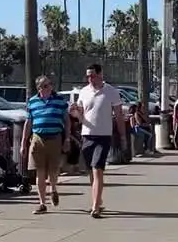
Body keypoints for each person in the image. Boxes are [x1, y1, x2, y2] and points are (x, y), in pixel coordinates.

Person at [70, 63, 124, 218]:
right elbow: (80, 116)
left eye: (92, 75)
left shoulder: (111, 92)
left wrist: (122, 136)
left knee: (98, 168)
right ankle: (98, 199)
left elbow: (119, 115)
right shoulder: (84, 92)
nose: (90, 78)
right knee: (91, 171)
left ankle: (95, 207)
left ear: (101, 74)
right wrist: (74, 112)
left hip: (103, 136)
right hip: (87, 135)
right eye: (87, 76)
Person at [20, 75, 68, 215]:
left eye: (50, 84)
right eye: (46, 85)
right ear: (39, 88)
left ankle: (53, 189)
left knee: (53, 170)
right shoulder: (33, 102)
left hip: (55, 137)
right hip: (38, 138)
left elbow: (66, 120)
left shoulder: (59, 100)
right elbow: (28, 123)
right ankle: (42, 203)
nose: (50, 87)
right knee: (39, 171)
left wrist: (67, 138)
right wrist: (23, 143)